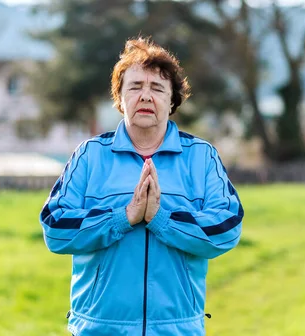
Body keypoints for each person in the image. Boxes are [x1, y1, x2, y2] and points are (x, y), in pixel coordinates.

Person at [40, 37, 244, 336]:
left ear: (172, 101)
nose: (146, 96)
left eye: (157, 88)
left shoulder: (201, 157)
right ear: (119, 98)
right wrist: (123, 217)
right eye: (135, 87)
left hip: (177, 330)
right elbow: (55, 228)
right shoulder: (90, 155)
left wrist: (161, 219)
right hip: (98, 329)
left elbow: (227, 228)